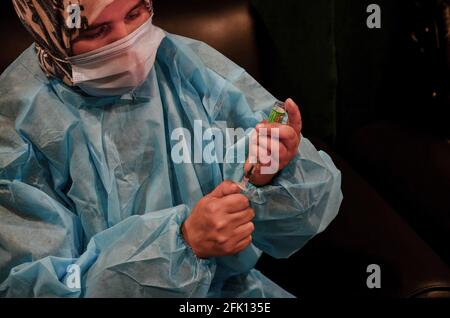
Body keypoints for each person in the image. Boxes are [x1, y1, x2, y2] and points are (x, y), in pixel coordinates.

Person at [0, 0, 343, 298]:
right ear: (51, 34)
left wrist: (265, 172)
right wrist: (182, 244)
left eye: (134, 15)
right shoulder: (19, 124)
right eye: (97, 31)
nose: (128, 44)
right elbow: (34, 286)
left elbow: (307, 207)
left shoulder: (184, 66)